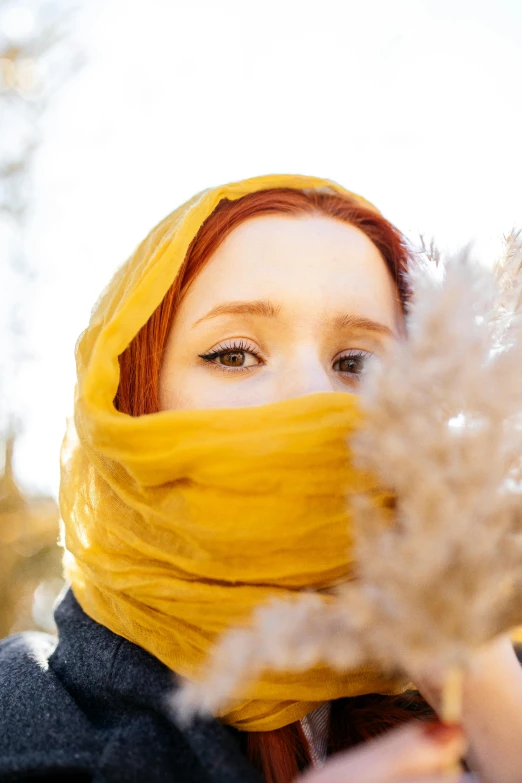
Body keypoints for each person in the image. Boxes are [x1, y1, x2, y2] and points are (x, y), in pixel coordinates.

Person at [1, 173, 521, 783]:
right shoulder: (22, 718)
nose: (308, 396)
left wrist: (493, 704)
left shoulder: (493, 676)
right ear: (133, 398)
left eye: (356, 363)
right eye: (234, 354)